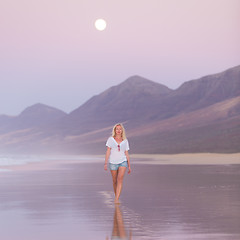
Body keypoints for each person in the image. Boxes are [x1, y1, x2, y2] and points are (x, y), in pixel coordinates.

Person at [104, 123, 131, 204]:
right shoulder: (110, 139)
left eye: (120, 129)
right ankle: (116, 196)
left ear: (122, 130)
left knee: (120, 180)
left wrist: (129, 165)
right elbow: (108, 151)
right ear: (114, 130)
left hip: (123, 161)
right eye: (117, 129)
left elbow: (126, 153)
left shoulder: (125, 141)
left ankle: (116, 199)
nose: (118, 130)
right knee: (114, 181)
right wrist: (105, 163)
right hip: (113, 162)